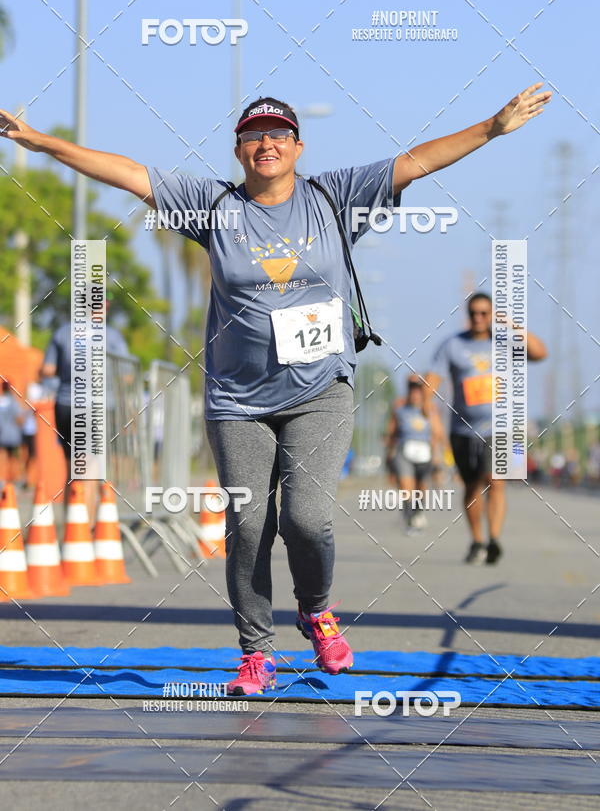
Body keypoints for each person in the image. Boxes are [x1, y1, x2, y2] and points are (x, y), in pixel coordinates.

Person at [0, 82, 551, 694]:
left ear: (298, 146)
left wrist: (492, 127)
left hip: (319, 391)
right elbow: (129, 173)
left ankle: (316, 610)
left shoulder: (333, 197)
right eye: (253, 136)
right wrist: (40, 142)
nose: (266, 143)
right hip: (237, 401)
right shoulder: (212, 205)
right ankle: (255, 650)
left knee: (309, 521)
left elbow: (416, 161)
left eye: (278, 134)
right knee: (248, 524)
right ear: (239, 152)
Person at [425, 293, 547, 565]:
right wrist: (428, 410)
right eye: (474, 313)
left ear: (492, 315)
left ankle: (493, 539)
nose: (479, 318)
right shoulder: (453, 345)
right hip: (463, 429)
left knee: (496, 481)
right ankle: (477, 539)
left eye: (485, 313)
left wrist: (513, 325)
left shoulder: (505, 343)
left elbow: (540, 353)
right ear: (468, 315)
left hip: (502, 426)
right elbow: (432, 381)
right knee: (472, 486)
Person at [41, 299, 129, 525]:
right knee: (89, 467)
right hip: (98, 406)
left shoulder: (62, 332)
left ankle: (71, 527)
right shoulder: (111, 336)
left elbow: (47, 369)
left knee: (72, 466)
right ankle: (85, 529)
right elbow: (126, 374)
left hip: (66, 404)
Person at [385, 375, 435, 533]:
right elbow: (391, 433)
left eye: (418, 391)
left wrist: (438, 458)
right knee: (407, 488)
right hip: (404, 452)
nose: (415, 394)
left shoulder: (429, 409)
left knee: (421, 488)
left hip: (424, 454)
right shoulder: (399, 408)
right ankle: (410, 518)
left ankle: (418, 513)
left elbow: (437, 434)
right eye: (412, 390)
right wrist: (389, 455)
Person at [0, 380, 24, 484]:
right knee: (15, 458)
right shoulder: (13, 401)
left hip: (2, 434)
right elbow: (19, 419)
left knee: (3, 457)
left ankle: (3, 478)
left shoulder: (0, 401)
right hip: (13, 435)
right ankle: (14, 478)